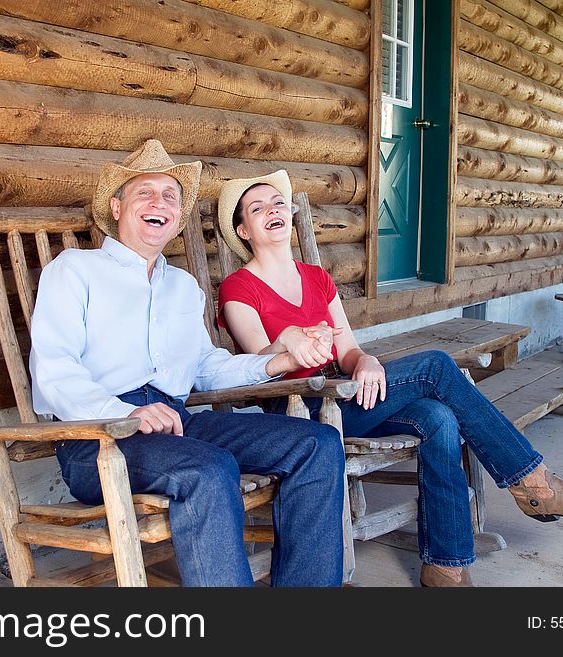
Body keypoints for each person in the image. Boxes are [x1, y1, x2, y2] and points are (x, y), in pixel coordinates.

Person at [215, 169, 563, 587]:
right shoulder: (239, 288)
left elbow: (348, 349)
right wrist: (285, 341)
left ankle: (446, 566)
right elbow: (260, 365)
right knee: (435, 366)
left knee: (437, 417)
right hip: (302, 409)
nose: (272, 211)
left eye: (278, 203)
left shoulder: (317, 278)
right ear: (243, 230)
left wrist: (366, 361)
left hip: (348, 393)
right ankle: (536, 484)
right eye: (257, 208)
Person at [28, 141, 346, 587]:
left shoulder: (183, 287)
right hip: (97, 438)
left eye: (171, 196)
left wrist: (279, 360)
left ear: (177, 218)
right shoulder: (75, 270)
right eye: (145, 192)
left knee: (317, 443)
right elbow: (54, 370)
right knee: (209, 469)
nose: (160, 203)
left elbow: (207, 366)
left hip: (176, 422)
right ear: (117, 207)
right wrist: (127, 413)